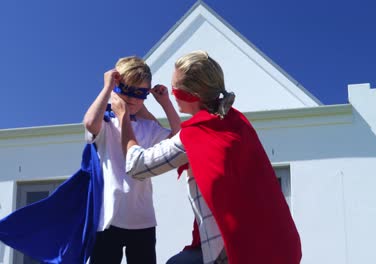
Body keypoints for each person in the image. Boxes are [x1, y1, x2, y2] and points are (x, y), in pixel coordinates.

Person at [112, 51, 302, 264]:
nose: (173, 95)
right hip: (279, 243)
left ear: (190, 95)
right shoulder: (235, 120)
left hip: (242, 250)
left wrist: (123, 116)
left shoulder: (197, 132)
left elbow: (137, 166)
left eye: (175, 89)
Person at [83, 56, 181, 264]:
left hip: (142, 218)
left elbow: (178, 138)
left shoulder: (147, 127)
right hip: (108, 218)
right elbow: (90, 123)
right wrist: (108, 87)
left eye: (141, 93)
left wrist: (165, 103)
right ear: (117, 87)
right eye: (128, 90)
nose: (133, 99)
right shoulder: (107, 124)